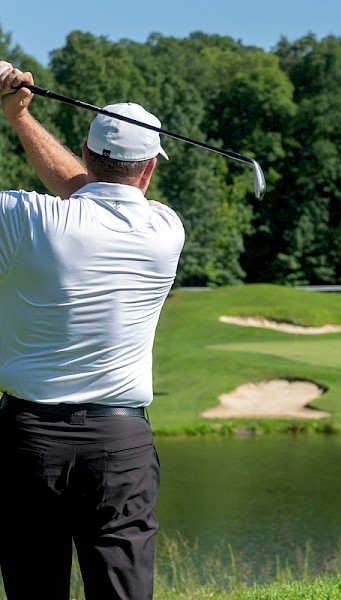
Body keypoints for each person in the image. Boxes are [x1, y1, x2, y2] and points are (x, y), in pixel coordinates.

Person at [0, 61, 185, 600]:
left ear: (84, 151)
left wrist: (14, 116)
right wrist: (19, 117)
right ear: (150, 169)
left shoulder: (25, 218)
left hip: (28, 442)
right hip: (121, 445)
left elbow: (84, 194)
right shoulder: (164, 230)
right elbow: (92, 193)